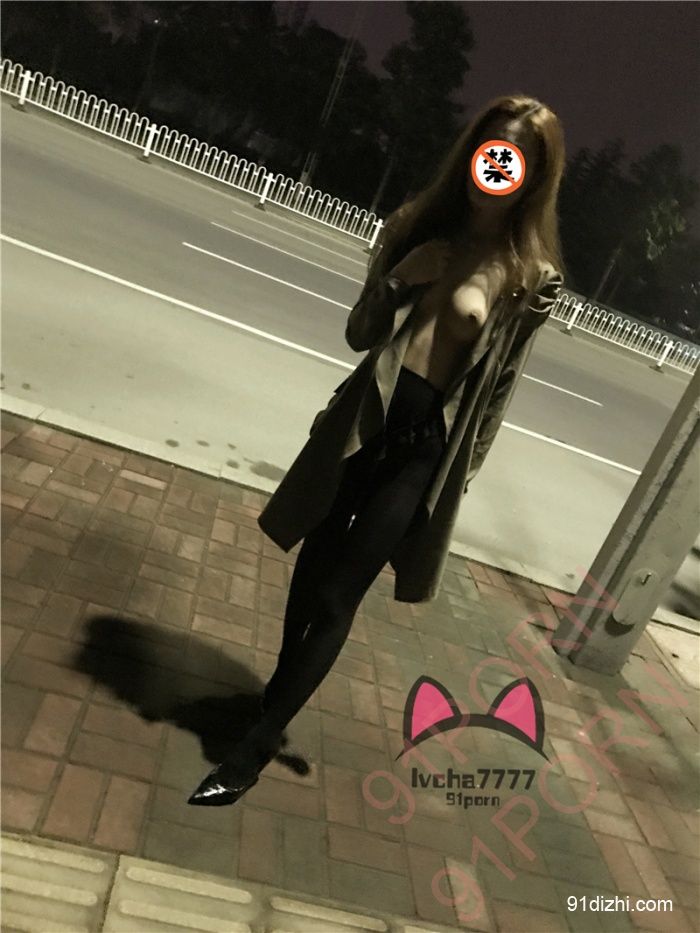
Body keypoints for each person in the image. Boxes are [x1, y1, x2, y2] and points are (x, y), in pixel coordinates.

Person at [188, 94, 566, 806]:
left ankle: (254, 747)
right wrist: (401, 279)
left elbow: (496, 393)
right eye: (490, 147)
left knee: (341, 594)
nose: (496, 164)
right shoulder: (417, 227)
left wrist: (457, 479)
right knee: (311, 570)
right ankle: (278, 695)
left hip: (422, 454)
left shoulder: (529, 278)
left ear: (534, 176)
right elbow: (359, 334)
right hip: (364, 425)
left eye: (514, 156)